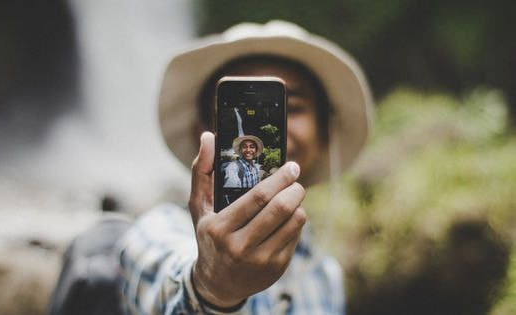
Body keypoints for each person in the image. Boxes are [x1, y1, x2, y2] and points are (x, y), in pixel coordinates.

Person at [118, 20, 373, 314]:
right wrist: (213, 286)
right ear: (202, 131)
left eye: (294, 107)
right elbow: (163, 286)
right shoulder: (155, 233)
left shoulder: (325, 274)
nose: (265, 132)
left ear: (324, 133)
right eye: (236, 108)